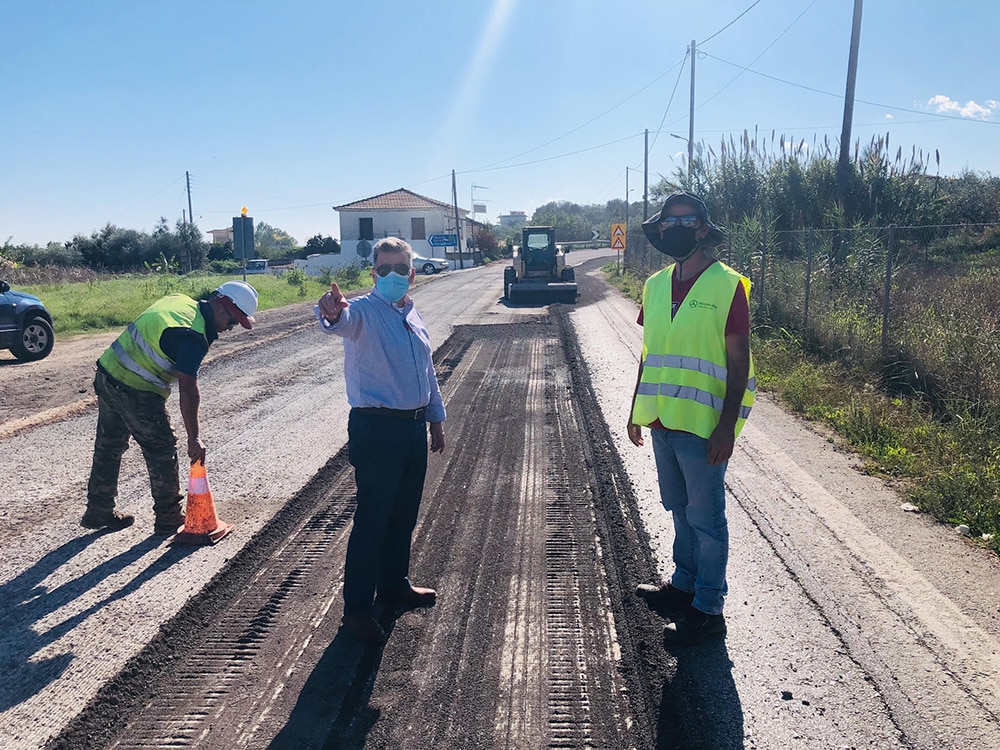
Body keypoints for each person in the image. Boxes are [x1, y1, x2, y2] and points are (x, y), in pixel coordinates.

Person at [627, 191, 755, 645]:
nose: (675, 228)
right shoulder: (655, 284)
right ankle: (683, 584)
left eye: (686, 220)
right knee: (677, 508)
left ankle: (708, 608)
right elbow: (651, 352)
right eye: (668, 221)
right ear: (660, 230)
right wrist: (635, 409)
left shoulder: (727, 285)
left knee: (706, 517)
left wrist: (726, 426)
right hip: (663, 418)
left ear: (703, 228)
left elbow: (738, 360)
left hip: (703, 426)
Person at [316, 236, 446, 645]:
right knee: (373, 519)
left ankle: (394, 585)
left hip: (410, 427)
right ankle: (356, 609)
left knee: (403, 515)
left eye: (399, 269)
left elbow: (426, 370)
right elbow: (337, 321)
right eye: (383, 269)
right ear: (373, 273)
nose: (392, 276)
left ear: (411, 271)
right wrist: (330, 312)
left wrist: (435, 420)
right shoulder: (363, 313)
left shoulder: (411, 312)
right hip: (376, 429)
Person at [81, 281, 259, 534]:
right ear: (221, 306)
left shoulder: (181, 301)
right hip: (135, 386)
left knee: (109, 444)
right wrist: (194, 438)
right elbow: (187, 388)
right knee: (161, 447)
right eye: (232, 321)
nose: (230, 329)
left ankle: (98, 510)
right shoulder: (192, 335)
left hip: (108, 371)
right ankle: (169, 516)